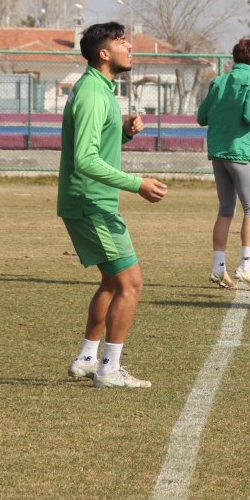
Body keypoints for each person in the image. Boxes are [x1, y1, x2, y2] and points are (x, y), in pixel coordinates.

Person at [61, 22, 169, 388]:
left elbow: (95, 147)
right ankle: (109, 370)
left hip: (91, 201)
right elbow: (85, 160)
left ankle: (87, 358)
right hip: (91, 203)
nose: (130, 46)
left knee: (111, 282)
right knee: (131, 284)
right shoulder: (93, 93)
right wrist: (137, 184)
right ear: (103, 53)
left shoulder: (100, 90)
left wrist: (122, 131)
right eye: (122, 41)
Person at [196, 37, 250, 292]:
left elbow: (202, 117)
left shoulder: (218, 81)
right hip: (242, 153)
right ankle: (246, 266)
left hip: (218, 153)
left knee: (226, 210)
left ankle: (219, 268)